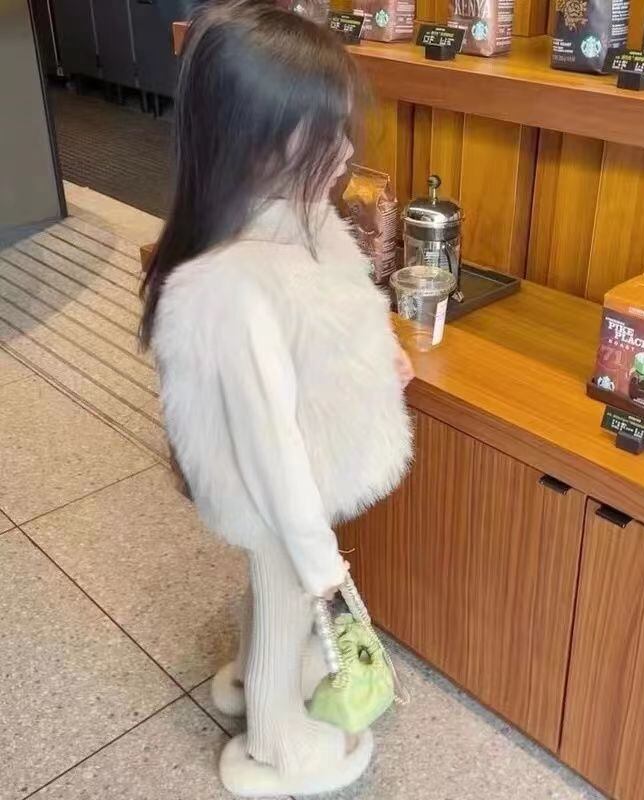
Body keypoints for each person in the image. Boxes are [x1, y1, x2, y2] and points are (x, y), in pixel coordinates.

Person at [139, 1, 414, 795]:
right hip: (281, 498)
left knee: (273, 597)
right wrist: (321, 561)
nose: (347, 151)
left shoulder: (291, 220)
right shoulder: (232, 284)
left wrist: (381, 356)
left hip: (292, 491)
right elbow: (270, 443)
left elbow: (331, 318)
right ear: (254, 139)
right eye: (323, 133)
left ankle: (244, 680)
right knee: (288, 603)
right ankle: (275, 740)